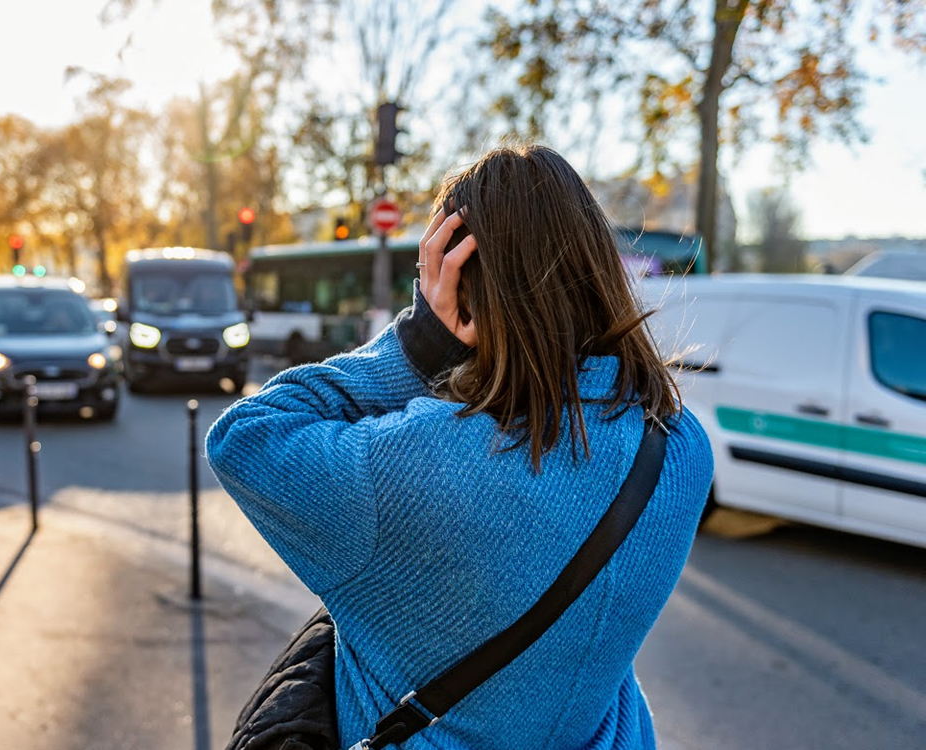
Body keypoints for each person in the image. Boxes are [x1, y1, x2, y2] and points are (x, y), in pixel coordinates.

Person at [206, 144, 714, 750]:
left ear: (460, 289)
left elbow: (244, 435)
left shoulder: (417, 464)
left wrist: (418, 347)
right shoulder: (681, 446)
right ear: (598, 266)